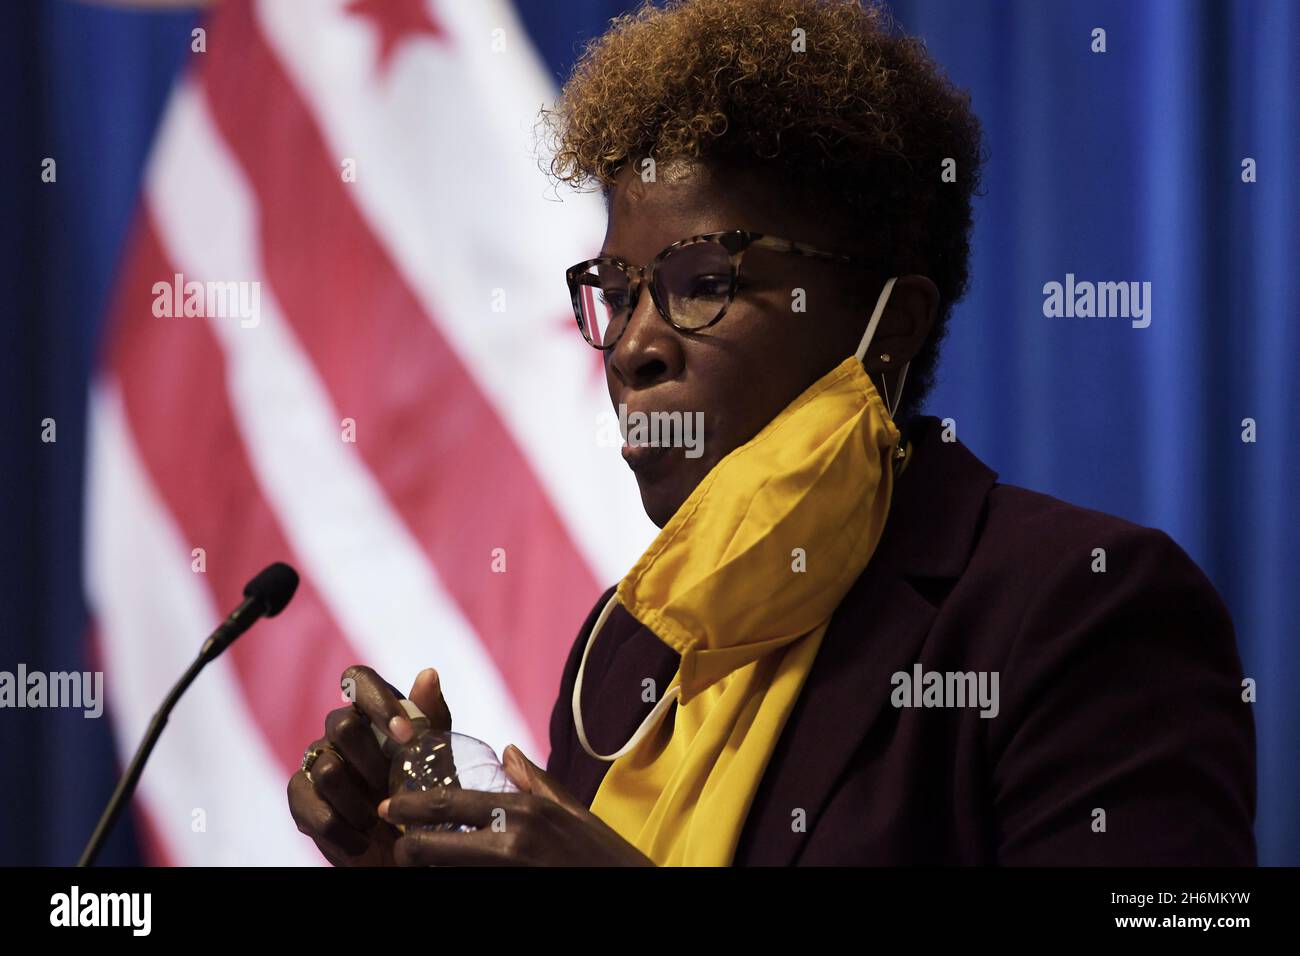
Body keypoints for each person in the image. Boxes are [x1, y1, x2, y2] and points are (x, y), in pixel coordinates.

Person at [287, 0, 1255, 866]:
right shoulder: (627, 653)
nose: (633, 349)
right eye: (616, 296)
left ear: (893, 323)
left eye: (704, 280)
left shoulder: (1077, 611)